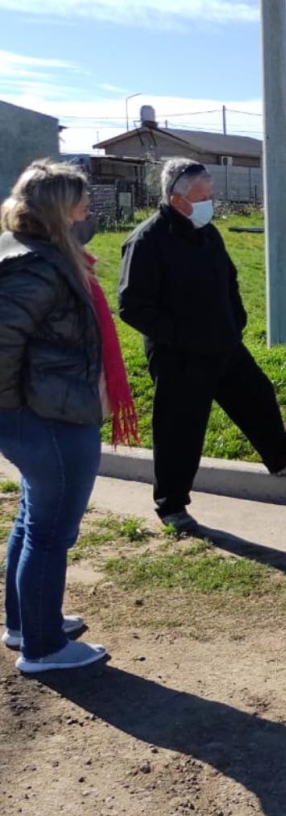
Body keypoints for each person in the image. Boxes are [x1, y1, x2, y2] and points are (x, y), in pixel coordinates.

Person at [119, 158, 286, 534]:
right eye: (204, 196)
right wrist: (181, 335)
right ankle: (172, 506)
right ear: (178, 199)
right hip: (179, 354)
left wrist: (237, 319)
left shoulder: (207, 232)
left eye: (210, 195)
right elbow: (132, 306)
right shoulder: (148, 240)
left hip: (223, 343)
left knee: (258, 395)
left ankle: (281, 460)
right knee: (180, 428)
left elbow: (229, 279)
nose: (212, 202)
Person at [0, 159, 138, 673]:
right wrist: (17, 416)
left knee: (35, 520)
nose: (88, 210)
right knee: (51, 532)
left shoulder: (42, 254)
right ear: (59, 209)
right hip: (47, 418)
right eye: (81, 201)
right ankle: (43, 648)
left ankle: (25, 625)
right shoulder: (36, 265)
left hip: (47, 412)